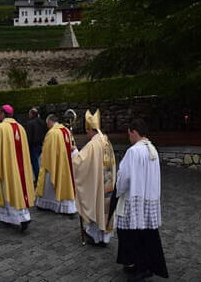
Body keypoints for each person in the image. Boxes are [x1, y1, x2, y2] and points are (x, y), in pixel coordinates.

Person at [115, 119, 168, 281]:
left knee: (132, 235)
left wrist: (118, 190)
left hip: (134, 201)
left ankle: (139, 267)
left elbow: (124, 176)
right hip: (149, 200)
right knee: (146, 235)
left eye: (129, 134)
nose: (128, 137)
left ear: (134, 132)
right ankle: (145, 266)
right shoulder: (152, 149)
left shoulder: (134, 151)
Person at [73, 109, 116, 246]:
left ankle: (96, 237)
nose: (87, 134)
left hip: (99, 186)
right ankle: (105, 237)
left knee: (97, 207)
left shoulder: (93, 144)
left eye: (87, 131)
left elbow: (79, 162)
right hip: (108, 184)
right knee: (105, 209)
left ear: (90, 129)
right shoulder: (106, 141)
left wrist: (73, 151)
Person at [0, 104, 35, 231]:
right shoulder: (20, 127)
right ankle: (14, 216)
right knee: (21, 189)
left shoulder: (1, 128)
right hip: (21, 166)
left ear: (3, 114)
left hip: (7, 166)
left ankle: (18, 218)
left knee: (8, 190)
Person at [35, 114, 76, 215]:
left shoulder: (52, 133)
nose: (47, 126)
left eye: (47, 124)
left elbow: (47, 151)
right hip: (66, 163)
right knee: (65, 183)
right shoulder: (66, 130)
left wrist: (43, 160)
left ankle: (46, 205)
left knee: (49, 183)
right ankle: (66, 207)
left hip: (53, 165)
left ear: (50, 122)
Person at [26, 107, 47, 182]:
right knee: (40, 162)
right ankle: (40, 177)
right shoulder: (43, 122)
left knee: (35, 163)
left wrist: (27, 146)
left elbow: (29, 136)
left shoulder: (30, 123)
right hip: (41, 144)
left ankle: (38, 178)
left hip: (33, 145)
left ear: (32, 114)